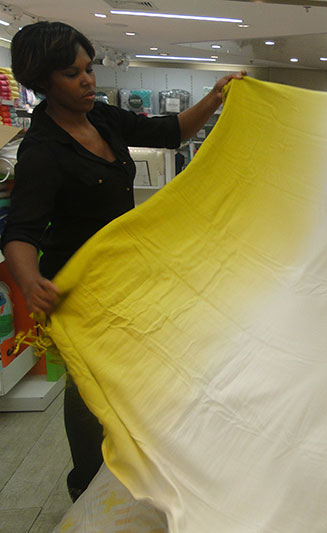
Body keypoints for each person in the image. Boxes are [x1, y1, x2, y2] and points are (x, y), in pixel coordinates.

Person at [0, 21, 245, 501]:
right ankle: (86, 483)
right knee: (89, 385)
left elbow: (170, 132)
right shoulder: (43, 151)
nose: (87, 80)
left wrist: (216, 98)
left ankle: (135, 461)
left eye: (88, 69)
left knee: (131, 370)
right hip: (75, 285)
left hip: (121, 272)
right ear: (43, 81)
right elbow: (21, 232)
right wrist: (29, 282)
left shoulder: (103, 118)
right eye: (72, 74)